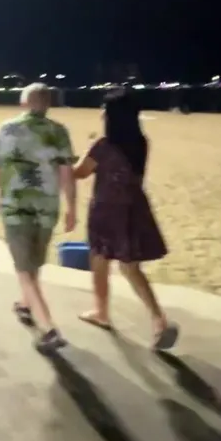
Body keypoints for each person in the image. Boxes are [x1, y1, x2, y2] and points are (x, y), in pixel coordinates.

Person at [72, 89, 179, 351]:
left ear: (111, 115)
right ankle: (159, 319)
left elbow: (80, 173)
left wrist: (70, 160)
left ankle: (101, 312)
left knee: (99, 259)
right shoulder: (141, 143)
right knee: (131, 267)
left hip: (106, 210)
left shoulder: (103, 146)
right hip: (133, 208)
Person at [0, 82, 77, 355]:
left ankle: (49, 328)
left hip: (16, 205)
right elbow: (67, 173)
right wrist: (72, 207)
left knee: (24, 268)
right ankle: (26, 304)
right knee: (34, 261)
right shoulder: (59, 131)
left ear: (23, 102)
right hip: (47, 206)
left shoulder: (6, 129)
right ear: (47, 104)